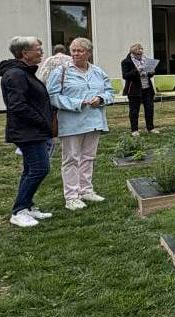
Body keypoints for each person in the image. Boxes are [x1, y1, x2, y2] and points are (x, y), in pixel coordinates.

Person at [47, 37, 113, 211]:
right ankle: (71, 196)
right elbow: (52, 97)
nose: (75, 54)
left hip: (94, 121)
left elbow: (109, 91)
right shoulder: (60, 72)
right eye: (73, 50)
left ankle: (86, 190)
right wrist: (77, 103)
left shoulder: (98, 71)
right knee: (71, 159)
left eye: (80, 51)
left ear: (88, 53)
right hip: (71, 123)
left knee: (88, 157)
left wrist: (101, 98)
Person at [0, 36, 53, 227]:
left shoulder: (24, 72)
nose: (41, 52)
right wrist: (42, 122)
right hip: (28, 131)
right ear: (25, 53)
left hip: (32, 130)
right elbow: (18, 105)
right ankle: (19, 210)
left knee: (31, 169)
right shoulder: (16, 74)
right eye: (38, 49)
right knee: (40, 169)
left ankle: (27, 206)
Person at [121, 43, 157, 136]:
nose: (140, 56)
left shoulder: (145, 60)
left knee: (149, 109)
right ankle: (134, 130)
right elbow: (125, 76)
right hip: (134, 89)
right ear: (132, 53)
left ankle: (150, 128)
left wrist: (151, 72)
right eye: (138, 54)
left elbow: (150, 75)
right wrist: (137, 70)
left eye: (141, 53)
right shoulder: (126, 62)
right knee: (134, 110)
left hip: (147, 88)